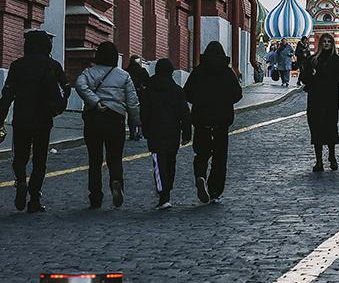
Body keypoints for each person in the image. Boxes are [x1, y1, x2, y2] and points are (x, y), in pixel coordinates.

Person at [0, 29, 69, 213]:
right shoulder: (53, 65)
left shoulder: (17, 65)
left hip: (22, 118)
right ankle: (34, 198)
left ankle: (20, 181)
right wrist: (58, 107)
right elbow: (66, 89)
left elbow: (7, 94)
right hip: (44, 119)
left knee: (20, 156)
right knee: (39, 159)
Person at [75, 41, 140, 209]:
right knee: (115, 158)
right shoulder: (124, 76)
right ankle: (116, 182)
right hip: (115, 119)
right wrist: (136, 121)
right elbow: (132, 102)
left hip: (94, 118)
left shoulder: (89, 73)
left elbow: (80, 86)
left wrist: (95, 102)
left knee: (94, 160)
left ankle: (95, 196)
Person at [184, 41, 242, 203]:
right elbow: (238, 94)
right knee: (219, 158)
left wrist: (199, 101)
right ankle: (215, 190)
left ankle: (200, 176)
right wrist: (225, 102)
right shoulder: (228, 73)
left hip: (202, 121)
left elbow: (187, 93)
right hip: (221, 123)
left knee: (201, 154)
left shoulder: (198, 72)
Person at [139, 59, 191, 209]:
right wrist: (187, 133)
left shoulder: (148, 90)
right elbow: (185, 114)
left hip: (155, 132)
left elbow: (144, 112)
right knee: (170, 161)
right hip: (173, 132)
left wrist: (145, 130)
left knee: (158, 162)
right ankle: (168, 190)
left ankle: (163, 194)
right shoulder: (177, 90)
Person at [300, 33, 339, 171]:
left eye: (329, 42)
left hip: (330, 99)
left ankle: (332, 156)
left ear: (332, 44)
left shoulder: (336, 60)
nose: (326, 44)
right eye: (324, 41)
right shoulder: (313, 60)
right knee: (316, 128)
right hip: (315, 99)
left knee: (330, 127)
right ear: (320, 43)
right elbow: (304, 78)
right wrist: (310, 75)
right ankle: (319, 160)